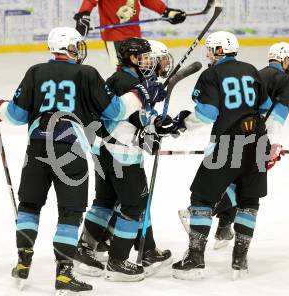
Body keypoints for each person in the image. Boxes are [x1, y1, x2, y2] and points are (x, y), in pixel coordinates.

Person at [0, 27, 164, 294]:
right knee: (70, 213)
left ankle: (23, 261)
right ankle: (64, 275)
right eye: (77, 46)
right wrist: (141, 94)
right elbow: (114, 110)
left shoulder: (35, 72)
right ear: (70, 48)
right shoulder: (86, 73)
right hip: (70, 149)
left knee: (29, 205)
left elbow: (16, 115)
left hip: (37, 148)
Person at [169, 31, 272, 280]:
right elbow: (266, 106)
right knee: (249, 200)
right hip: (258, 142)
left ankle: (195, 259)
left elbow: (206, 114)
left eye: (210, 50)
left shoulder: (211, 74)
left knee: (202, 198)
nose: (208, 55)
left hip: (227, 143)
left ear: (217, 51)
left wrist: (182, 123)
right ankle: (240, 260)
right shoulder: (250, 69)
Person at [76, 37, 173, 282]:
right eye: (145, 57)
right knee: (134, 206)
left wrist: (157, 125)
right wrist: (149, 127)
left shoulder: (126, 80)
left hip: (108, 151)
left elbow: (134, 119)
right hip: (121, 154)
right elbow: (122, 118)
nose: (149, 61)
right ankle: (118, 260)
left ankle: (85, 248)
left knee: (106, 201)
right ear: (132, 59)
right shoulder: (126, 81)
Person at [208, 41, 289, 250]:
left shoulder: (255, 74)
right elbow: (276, 117)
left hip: (234, 132)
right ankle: (201, 211)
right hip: (257, 137)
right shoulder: (285, 81)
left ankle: (223, 227)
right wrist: (273, 146)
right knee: (246, 186)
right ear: (285, 60)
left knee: (233, 177)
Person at [73, 0, 186, 67]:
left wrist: (165, 11)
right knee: (122, 71)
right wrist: (84, 13)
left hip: (134, 33)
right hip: (113, 36)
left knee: (140, 67)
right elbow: (90, 1)